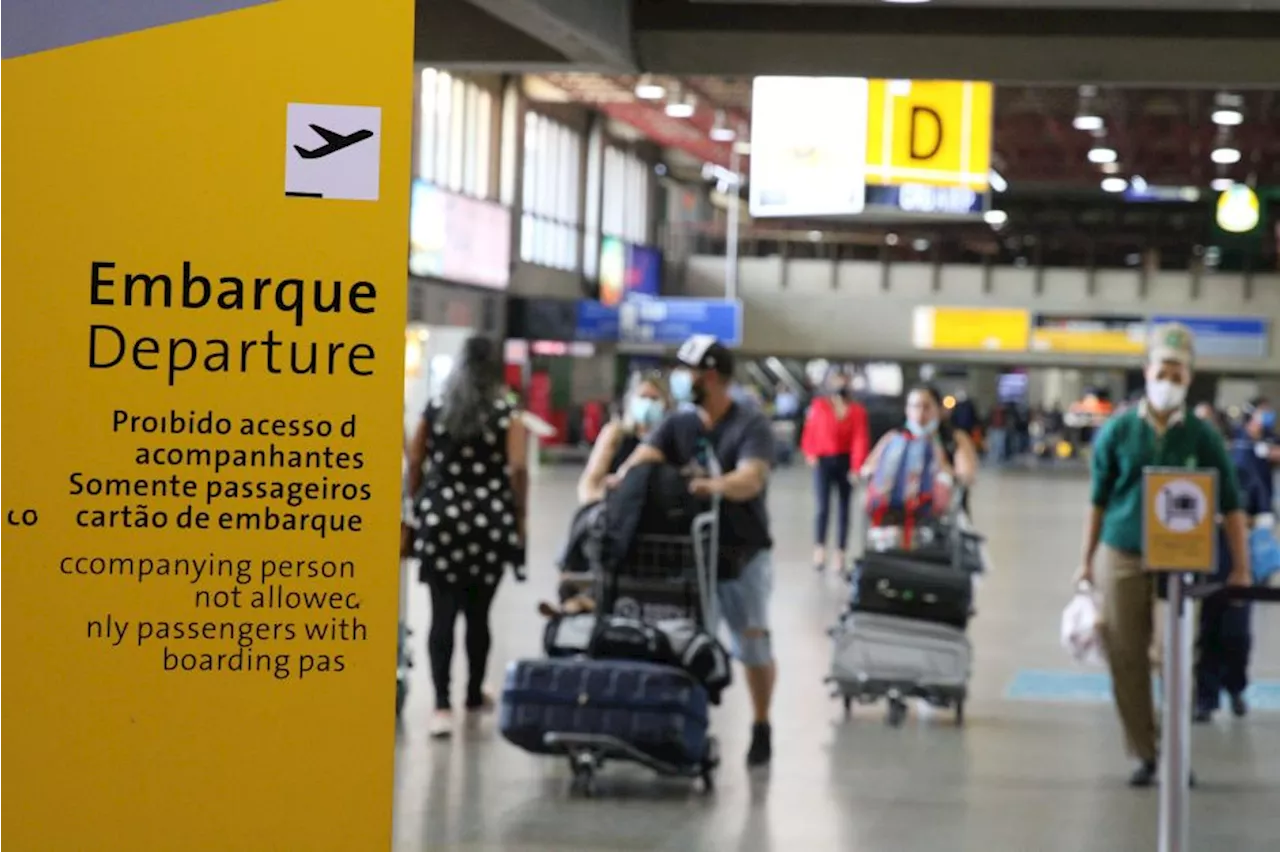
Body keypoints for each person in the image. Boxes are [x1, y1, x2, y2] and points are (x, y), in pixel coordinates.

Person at [1077, 322, 1251, 787]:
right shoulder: (1116, 431)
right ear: (1146, 370)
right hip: (1123, 552)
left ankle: (1177, 752)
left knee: (1173, 657)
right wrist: (1085, 561)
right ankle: (1146, 751)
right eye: (1163, 370)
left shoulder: (1202, 436)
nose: (1169, 381)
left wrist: (1241, 566)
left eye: (1178, 373)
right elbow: (1097, 499)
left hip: (1180, 561)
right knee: (1125, 654)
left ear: (1190, 378)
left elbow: (1231, 506)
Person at [612, 335, 778, 768]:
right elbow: (645, 457)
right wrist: (623, 479)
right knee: (688, 642)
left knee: (752, 644)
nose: (679, 380)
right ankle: (686, 725)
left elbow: (751, 478)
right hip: (691, 555)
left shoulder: (749, 424)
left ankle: (761, 723)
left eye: (686, 372)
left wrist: (714, 486)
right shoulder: (679, 422)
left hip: (743, 554)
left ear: (710, 376)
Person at [403, 336, 529, 739]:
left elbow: (416, 458)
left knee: (442, 613)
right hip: (489, 523)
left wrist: (418, 498)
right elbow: (517, 469)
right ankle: (473, 694)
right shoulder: (505, 413)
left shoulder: (437, 409)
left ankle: (441, 706)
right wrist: (519, 514)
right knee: (478, 614)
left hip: (441, 521)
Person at [1193, 405, 1266, 723]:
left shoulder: (1242, 468)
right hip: (1202, 564)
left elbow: (1262, 514)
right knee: (1208, 632)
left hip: (1239, 561)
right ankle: (1205, 698)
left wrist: (1234, 522)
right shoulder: (1188, 469)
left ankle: (1235, 688)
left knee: (1237, 634)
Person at [800, 370, 871, 571]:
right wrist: (810, 452)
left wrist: (857, 467)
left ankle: (840, 552)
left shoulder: (857, 411)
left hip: (845, 461)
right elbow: (810, 431)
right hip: (823, 460)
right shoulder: (819, 406)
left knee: (844, 508)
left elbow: (860, 439)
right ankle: (819, 549)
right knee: (822, 507)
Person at [860, 384, 980, 500]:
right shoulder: (893, 437)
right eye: (915, 406)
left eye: (927, 407)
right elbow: (868, 468)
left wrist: (942, 466)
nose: (920, 414)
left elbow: (967, 476)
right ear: (907, 409)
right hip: (896, 511)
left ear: (939, 409)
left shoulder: (954, 438)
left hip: (943, 515)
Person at [578, 373, 671, 505]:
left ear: (665, 404)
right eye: (643, 397)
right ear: (632, 401)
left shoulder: (668, 439)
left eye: (654, 399)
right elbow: (589, 482)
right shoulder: (615, 433)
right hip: (615, 509)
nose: (648, 404)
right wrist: (597, 504)